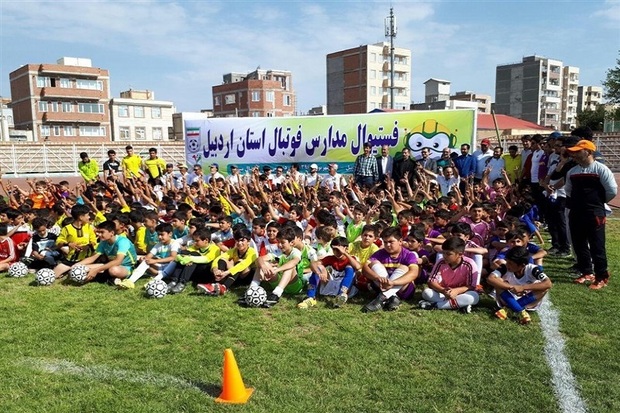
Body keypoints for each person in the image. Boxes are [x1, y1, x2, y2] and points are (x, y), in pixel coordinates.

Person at [565, 140, 617, 289]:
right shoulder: (572, 172)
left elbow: (611, 190)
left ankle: (601, 276)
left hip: (595, 213)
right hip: (576, 211)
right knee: (579, 243)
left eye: (577, 151)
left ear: (588, 152)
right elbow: (569, 191)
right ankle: (586, 272)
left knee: (597, 245)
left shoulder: (601, 169)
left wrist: (597, 203)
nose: (573, 154)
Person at [487, 246, 552, 325]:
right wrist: (511, 287)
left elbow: (548, 283)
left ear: (522, 265)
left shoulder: (533, 269)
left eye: (510, 263)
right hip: (508, 297)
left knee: (544, 288)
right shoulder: (504, 267)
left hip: (528, 299)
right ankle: (520, 311)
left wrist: (523, 288)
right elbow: (490, 279)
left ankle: (508, 309)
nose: (507, 265)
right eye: (507, 261)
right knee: (498, 282)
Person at [361, 226, 419, 312]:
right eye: (385, 242)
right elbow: (365, 268)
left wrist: (393, 283)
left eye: (391, 242)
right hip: (382, 286)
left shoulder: (409, 255)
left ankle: (381, 298)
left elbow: (414, 273)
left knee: (405, 267)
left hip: (402, 290)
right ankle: (392, 298)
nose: (387, 245)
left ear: (400, 241)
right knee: (373, 263)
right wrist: (376, 277)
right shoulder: (379, 253)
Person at [418, 236, 480, 312]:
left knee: (473, 296)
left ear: (460, 254)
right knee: (426, 293)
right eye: (443, 253)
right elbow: (431, 281)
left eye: (448, 254)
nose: (444, 256)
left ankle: (435, 305)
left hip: (461, 294)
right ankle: (458, 305)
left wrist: (456, 291)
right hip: (445, 293)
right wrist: (443, 291)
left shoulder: (469, 264)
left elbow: (471, 286)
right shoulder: (441, 262)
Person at [298, 236, 360, 309]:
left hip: (346, 288)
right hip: (331, 283)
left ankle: (341, 295)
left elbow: (358, 266)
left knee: (350, 268)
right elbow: (313, 264)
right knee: (318, 268)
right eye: (334, 249)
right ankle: (310, 297)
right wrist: (319, 273)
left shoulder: (351, 258)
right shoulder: (331, 258)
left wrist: (345, 253)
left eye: (338, 249)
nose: (337, 252)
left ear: (346, 248)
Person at [117, 222, 180, 289]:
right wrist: (145, 259)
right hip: (161, 267)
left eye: (162, 234)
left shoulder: (174, 243)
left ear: (170, 234)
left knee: (174, 261)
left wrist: (154, 261)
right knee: (145, 261)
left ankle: (154, 281)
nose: (159, 237)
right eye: (158, 235)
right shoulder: (159, 244)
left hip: (171, 269)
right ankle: (130, 281)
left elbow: (173, 257)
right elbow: (149, 256)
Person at [197, 228, 258, 296]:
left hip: (246, 278)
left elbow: (243, 265)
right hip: (234, 277)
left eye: (242, 240)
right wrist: (215, 269)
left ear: (248, 242)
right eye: (237, 241)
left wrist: (226, 272)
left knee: (240, 263)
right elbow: (219, 258)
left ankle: (224, 287)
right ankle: (217, 284)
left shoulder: (252, 252)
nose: (239, 243)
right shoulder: (234, 250)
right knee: (222, 260)